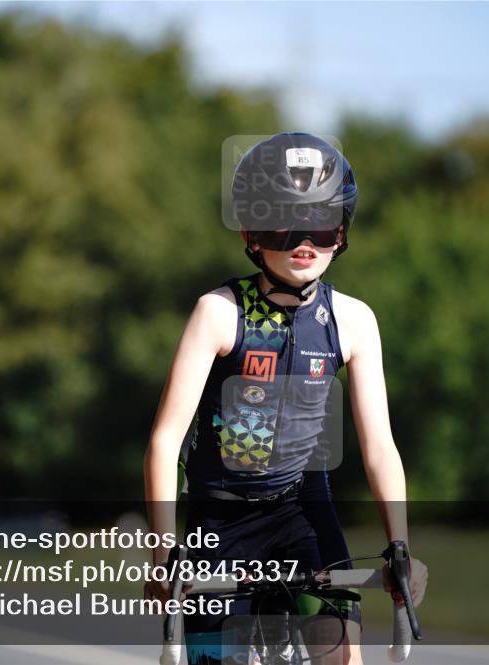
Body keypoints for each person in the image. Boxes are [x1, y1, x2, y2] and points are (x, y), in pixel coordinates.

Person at [144, 133, 427, 665]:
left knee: (342, 652)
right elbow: (165, 442)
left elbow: (380, 448)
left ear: (341, 232)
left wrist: (401, 549)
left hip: (304, 510)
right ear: (251, 232)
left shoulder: (355, 321)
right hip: (220, 517)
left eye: (320, 224)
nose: (304, 240)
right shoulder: (218, 312)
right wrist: (163, 552)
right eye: (284, 222)